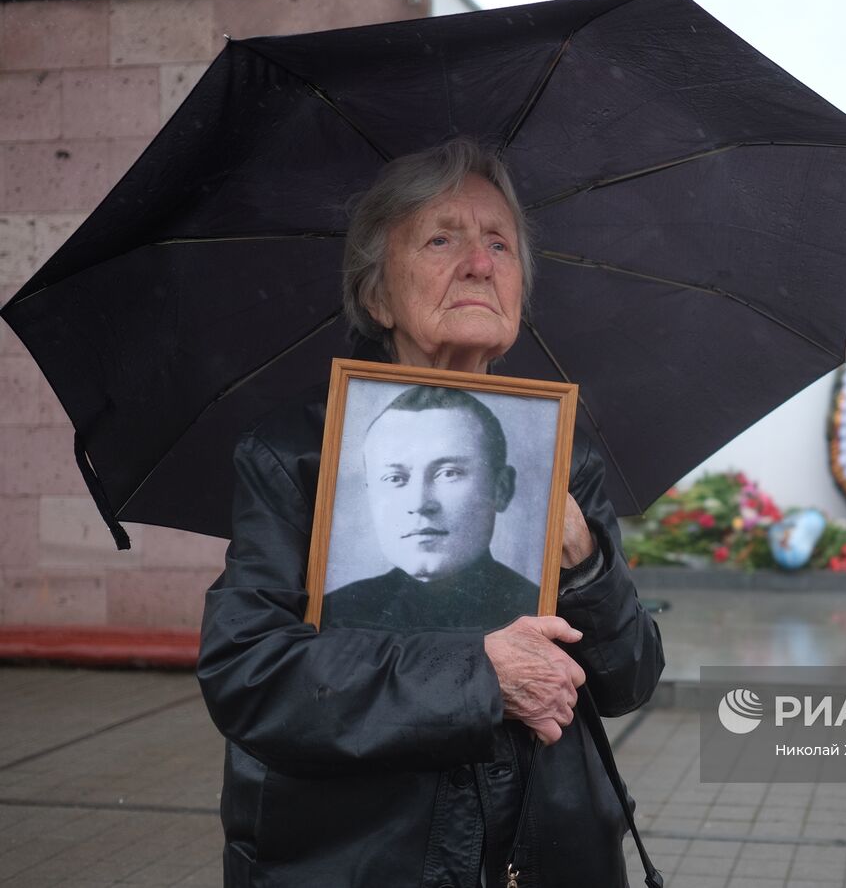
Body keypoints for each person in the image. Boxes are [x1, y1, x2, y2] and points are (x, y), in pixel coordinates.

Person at [197, 139, 664, 888]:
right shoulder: (297, 455)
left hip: (549, 856)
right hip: (352, 861)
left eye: (499, 244)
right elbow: (249, 672)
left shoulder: (561, 456)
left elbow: (630, 679)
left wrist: (589, 564)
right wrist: (481, 676)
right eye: (442, 238)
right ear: (378, 295)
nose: (479, 264)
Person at [322, 385, 540, 631]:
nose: (419, 504)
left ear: (501, 489)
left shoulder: (542, 613)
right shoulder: (333, 617)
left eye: (448, 473)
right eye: (395, 478)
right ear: (370, 493)